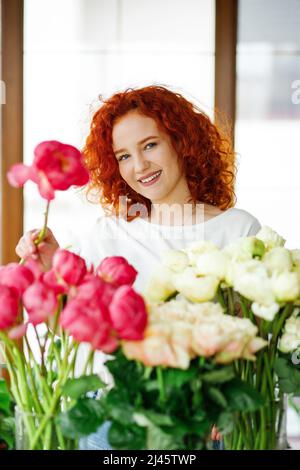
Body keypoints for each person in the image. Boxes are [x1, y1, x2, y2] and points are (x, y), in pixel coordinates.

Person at [16, 84, 261, 450]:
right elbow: (65, 328)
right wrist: (49, 270)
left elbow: (253, 341)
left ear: (181, 141)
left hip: (201, 424)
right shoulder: (107, 233)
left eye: (150, 145)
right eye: (124, 155)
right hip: (111, 424)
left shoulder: (238, 229)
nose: (140, 165)